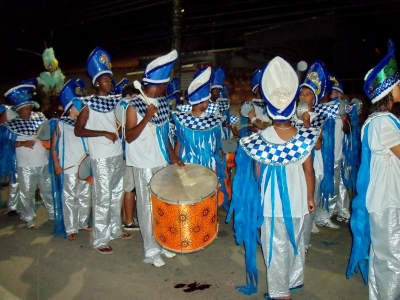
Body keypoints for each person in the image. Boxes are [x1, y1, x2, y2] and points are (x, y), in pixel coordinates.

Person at [228, 57, 319, 298]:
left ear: (269, 109)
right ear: (293, 109)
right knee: (295, 243)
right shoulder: (303, 137)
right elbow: (309, 171)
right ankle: (294, 279)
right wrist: (310, 197)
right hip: (300, 202)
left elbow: (258, 173)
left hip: (272, 203)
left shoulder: (262, 137)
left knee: (276, 247)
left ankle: (280, 293)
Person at [347, 38, 400, 300]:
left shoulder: (383, 121)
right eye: (398, 83)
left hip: (385, 200)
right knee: (391, 261)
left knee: (384, 258)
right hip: (386, 201)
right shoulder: (382, 123)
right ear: (388, 91)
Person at [124, 50, 182, 267]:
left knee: (163, 206)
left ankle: (165, 242)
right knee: (147, 208)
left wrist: (172, 154)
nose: (166, 87)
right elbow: (129, 137)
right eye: (165, 84)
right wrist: (146, 117)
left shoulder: (163, 103)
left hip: (161, 162)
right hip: (144, 164)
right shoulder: (133, 106)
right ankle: (151, 251)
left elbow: (164, 133)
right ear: (157, 84)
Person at [74, 47, 131, 254]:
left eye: (111, 80)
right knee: (102, 197)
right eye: (106, 80)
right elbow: (78, 130)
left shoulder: (115, 101)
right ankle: (100, 239)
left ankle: (115, 230)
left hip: (117, 154)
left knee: (116, 194)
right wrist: (102, 133)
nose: (111, 83)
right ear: (97, 82)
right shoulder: (87, 103)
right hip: (100, 158)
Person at [172, 67, 229, 207]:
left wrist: (174, 160)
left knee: (190, 200)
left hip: (187, 166)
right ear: (204, 102)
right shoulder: (214, 122)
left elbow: (178, 144)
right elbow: (217, 146)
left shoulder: (182, 121)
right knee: (206, 201)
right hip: (208, 167)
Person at [1, 81, 54, 228]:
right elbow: (5, 144)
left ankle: (52, 213)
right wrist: (21, 143)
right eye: (26, 108)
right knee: (27, 194)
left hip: (43, 162)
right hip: (25, 166)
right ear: (19, 109)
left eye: (30, 107)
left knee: (47, 190)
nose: (29, 110)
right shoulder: (11, 124)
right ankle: (28, 217)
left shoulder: (40, 117)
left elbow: (49, 130)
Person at [50, 79, 92, 241]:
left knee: (85, 196)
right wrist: (56, 164)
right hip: (68, 167)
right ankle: (71, 227)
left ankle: (82, 222)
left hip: (85, 167)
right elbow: (54, 147)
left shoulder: (85, 123)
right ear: (69, 107)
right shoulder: (61, 124)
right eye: (77, 104)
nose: (81, 107)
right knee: (69, 197)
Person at [120, 82, 140, 231]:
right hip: (131, 155)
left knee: (130, 188)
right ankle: (128, 221)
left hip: (129, 154)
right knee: (130, 188)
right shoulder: (126, 107)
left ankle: (129, 219)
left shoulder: (123, 107)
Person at [0, 104, 20, 217]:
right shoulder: (7, 111)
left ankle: (13, 206)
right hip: (4, 152)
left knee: (15, 178)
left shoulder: (14, 125)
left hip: (13, 154)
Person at [243, 66, 272, 136]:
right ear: (256, 90)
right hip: (258, 139)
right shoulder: (250, 105)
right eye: (262, 87)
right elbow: (252, 127)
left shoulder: (271, 104)